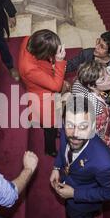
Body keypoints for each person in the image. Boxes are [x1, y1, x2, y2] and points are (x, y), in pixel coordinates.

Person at [50, 96, 110, 218]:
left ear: (93, 126)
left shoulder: (105, 163)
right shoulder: (66, 130)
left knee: (77, 215)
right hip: (67, 177)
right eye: (70, 125)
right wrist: (56, 167)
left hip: (83, 202)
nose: (75, 134)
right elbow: (62, 149)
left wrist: (75, 194)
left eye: (83, 126)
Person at [67, 31, 110, 139]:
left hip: (109, 98)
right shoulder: (86, 54)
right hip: (87, 93)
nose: (96, 47)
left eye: (102, 46)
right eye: (98, 42)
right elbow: (70, 65)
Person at [18, 29, 70, 157]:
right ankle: (50, 149)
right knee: (50, 127)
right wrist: (58, 62)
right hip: (42, 99)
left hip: (40, 86)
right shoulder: (29, 68)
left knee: (50, 124)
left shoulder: (28, 39)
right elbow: (56, 86)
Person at [72, 61, 110, 148]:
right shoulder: (100, 113)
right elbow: (99, 137)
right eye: (103, 79)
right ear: (91, 86)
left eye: (107, 73)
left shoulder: (79, 83)